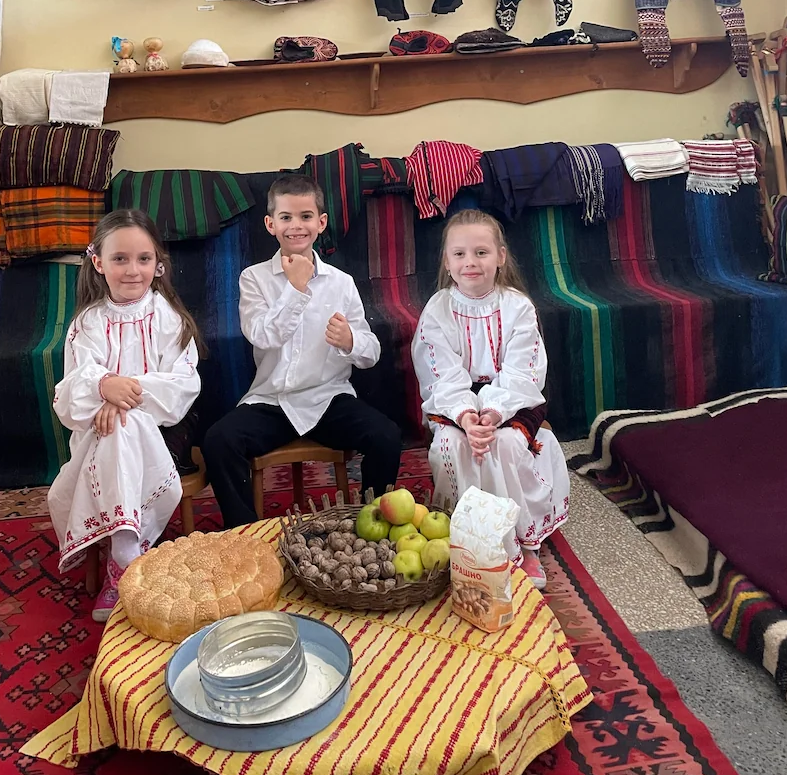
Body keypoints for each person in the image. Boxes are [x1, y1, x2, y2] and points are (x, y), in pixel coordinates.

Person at [203, 175, 402, 527]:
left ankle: (370, 523)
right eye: (286, 217)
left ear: (321, 222)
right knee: (219, 441)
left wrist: (351, 341)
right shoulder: (254, 278)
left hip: (328, 399)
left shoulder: (341, 283)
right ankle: (245, 534)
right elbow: (262, 336)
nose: (296, 225)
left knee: (385, 435)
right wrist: (296, 289)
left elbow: (371, 352)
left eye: (306, 216)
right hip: (271, 401)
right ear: (270, 224)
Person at [48, 209, 203, 621]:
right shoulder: (88, 323)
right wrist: (102, 386)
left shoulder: (169, 319)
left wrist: (119, 391)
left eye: (143, 259)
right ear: (99, 263)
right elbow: (69, 393)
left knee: (125, 421)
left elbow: (182, 388)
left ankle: (123, 557)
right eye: (120, 259)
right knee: (119, 427)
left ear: (157, 264)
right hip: (97, 433)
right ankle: (126, 549)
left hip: (165, 431)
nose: (132, 270)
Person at [411, 209, 569, 588]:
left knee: (508, 444)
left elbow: (523, 371)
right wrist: (467, 416)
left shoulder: (518, 307)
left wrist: (493, 414)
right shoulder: (438, 310)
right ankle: (468, 541)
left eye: (481, 252)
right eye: (460, 254)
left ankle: (522, 545)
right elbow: (439, 371)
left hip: (511, 402)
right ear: (447, 262)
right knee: (450, 445)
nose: (470, 262)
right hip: (456, 403)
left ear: (500, 257)